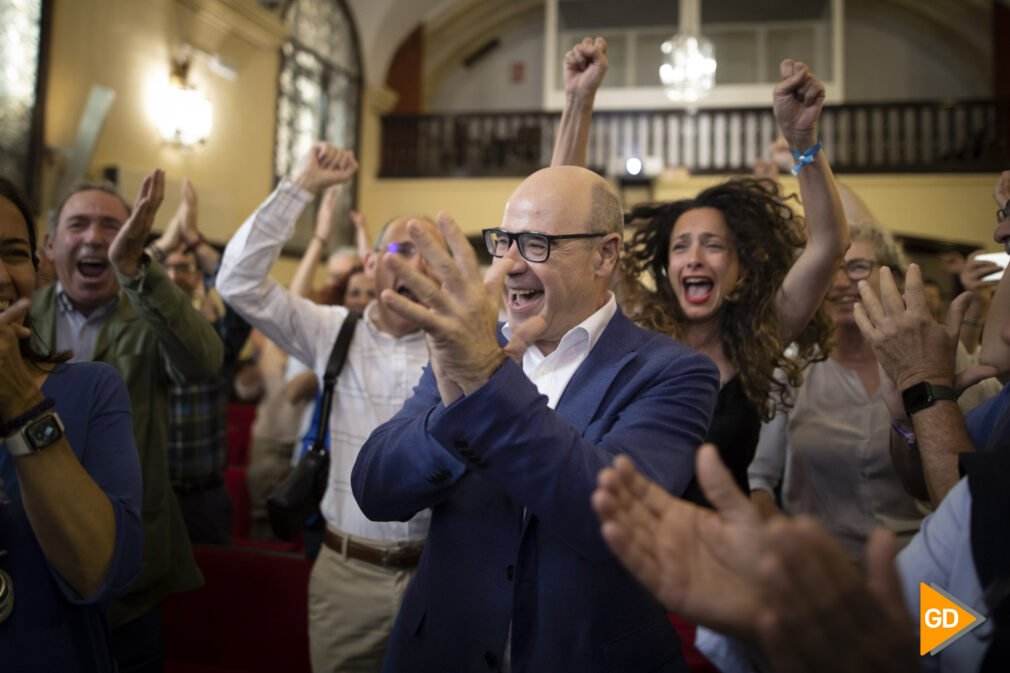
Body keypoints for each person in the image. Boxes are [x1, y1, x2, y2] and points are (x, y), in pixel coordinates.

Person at [351, 165, 720, 672]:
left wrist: (484, 385)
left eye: (538, 244)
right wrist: (454, 405)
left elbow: (608, 516)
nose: (509, 266)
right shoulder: (471, 348)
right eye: (504, 242)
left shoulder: (675, 373)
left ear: (605, 254)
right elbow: (375, 489)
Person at [553, 38, 848, 496]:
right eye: (681, 247)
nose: (694, 257)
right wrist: (578, 101)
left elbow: (828, 244)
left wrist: (802, 141)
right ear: (667, 266)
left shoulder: (759, 337)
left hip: (719, 554)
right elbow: (565, 219)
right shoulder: (639, 324)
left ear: (740, 266)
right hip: (631, 549)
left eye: (713, 246)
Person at [216, 143, 438, 673]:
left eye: (432, 252)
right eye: (402, 250)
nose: (417, 264)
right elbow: (237, 282)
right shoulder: (333, 330)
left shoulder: (460, 346)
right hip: (349, 575)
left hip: (442, 575)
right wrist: (300, 187)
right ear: (370, 263)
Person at [32, 171, 223, 673]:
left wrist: (137, 268)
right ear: (51, 243)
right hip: (35, 556)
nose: (94, 237)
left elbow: (204, 362)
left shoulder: (154, 312)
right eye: (78, 225)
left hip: (130, 574)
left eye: (110, 226)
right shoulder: (23, 316)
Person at [0, 176, 143, 672]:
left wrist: (19, 397)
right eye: (78, 224)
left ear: (35, 270)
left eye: (13, 253)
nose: (0, 274)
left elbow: (102, 572)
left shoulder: (92, 389)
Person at [148, 180, 253, 544]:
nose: (175, 275)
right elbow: (119, 284)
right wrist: (158, 251)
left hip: (202, 497)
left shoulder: (215, 338)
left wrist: (193, 239)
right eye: (168, 268)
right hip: (146, 492)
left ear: (199, 279)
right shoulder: (133, 329)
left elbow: (243, 297)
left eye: (186, 268)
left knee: (211, 596)